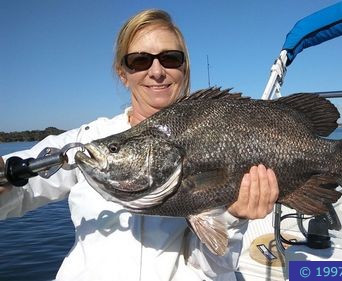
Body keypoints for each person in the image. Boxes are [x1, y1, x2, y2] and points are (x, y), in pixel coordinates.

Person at [0, 9, 279, 281]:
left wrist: (233, 218)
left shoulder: (217, 131)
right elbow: (15, 198)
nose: (156, 72)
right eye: (140, 61)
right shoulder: (89, 141)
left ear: (184, 67)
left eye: (170, 58)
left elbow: (212, 271)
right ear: (123, 73)